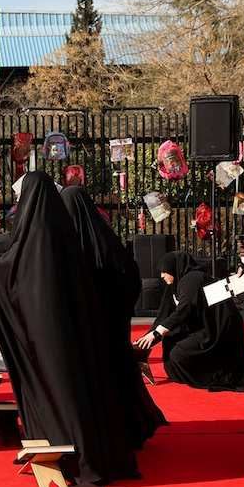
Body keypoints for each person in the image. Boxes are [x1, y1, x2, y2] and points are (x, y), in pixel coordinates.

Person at [0, 172, 139, 485]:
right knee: (72, 391)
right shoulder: (63, 232)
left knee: (58, 390)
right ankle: (84, 447)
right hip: (71, 330)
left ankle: (70, 449)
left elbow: (12, 267)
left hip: (48, 333)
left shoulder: (39, 236)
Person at [62, 186, 166, 448]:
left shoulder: (71, 247)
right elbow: (131, 279)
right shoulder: (110, 244)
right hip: (115, 326)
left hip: (89, 329)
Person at [134, 252, 244, 392]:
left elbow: (185, 309)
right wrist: (147, 339)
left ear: (174, 268)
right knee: (170, 341)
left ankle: (210, 375)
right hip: (203, 325)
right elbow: (164, 316)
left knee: (179, 352)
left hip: (218, 329)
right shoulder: (175, 284)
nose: (162, 276)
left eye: (165, 271)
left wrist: (157, 333)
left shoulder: (192, 279)